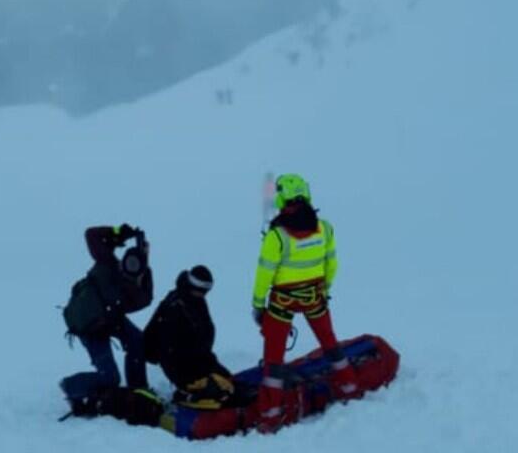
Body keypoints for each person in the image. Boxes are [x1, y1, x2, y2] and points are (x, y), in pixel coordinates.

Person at [252, 174, 358, 433]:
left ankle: (271, 415)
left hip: (281, 302)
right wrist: (323, 289)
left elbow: (264, 273)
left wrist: (258, 304)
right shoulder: (325, 228)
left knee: (274, 359)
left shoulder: (276, 236)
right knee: (330, 344)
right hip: (315, 298)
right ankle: (349, 389)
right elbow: (331, 264)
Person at [61, 224, 153, 414]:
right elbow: (91, 234)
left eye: (136, 268)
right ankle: (71, 385)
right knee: (110, 378)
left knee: (138, 342)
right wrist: (118, 232)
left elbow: (145, 299)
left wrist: (145, 270)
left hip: (111, 318)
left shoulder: (135, 290)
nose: (130, 270)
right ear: (123, 261)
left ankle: (138, 391)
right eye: (129, 264)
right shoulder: (107, 262)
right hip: (90, 325)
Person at [144, 265, 235, 409]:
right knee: (216, 390)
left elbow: (204, 334)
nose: (204, 294)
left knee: (228, 381)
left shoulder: (196, 301)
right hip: (179, 365)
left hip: (199, 358)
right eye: (203, 290)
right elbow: (169, 350)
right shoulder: (174, 306)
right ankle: (186, 395)